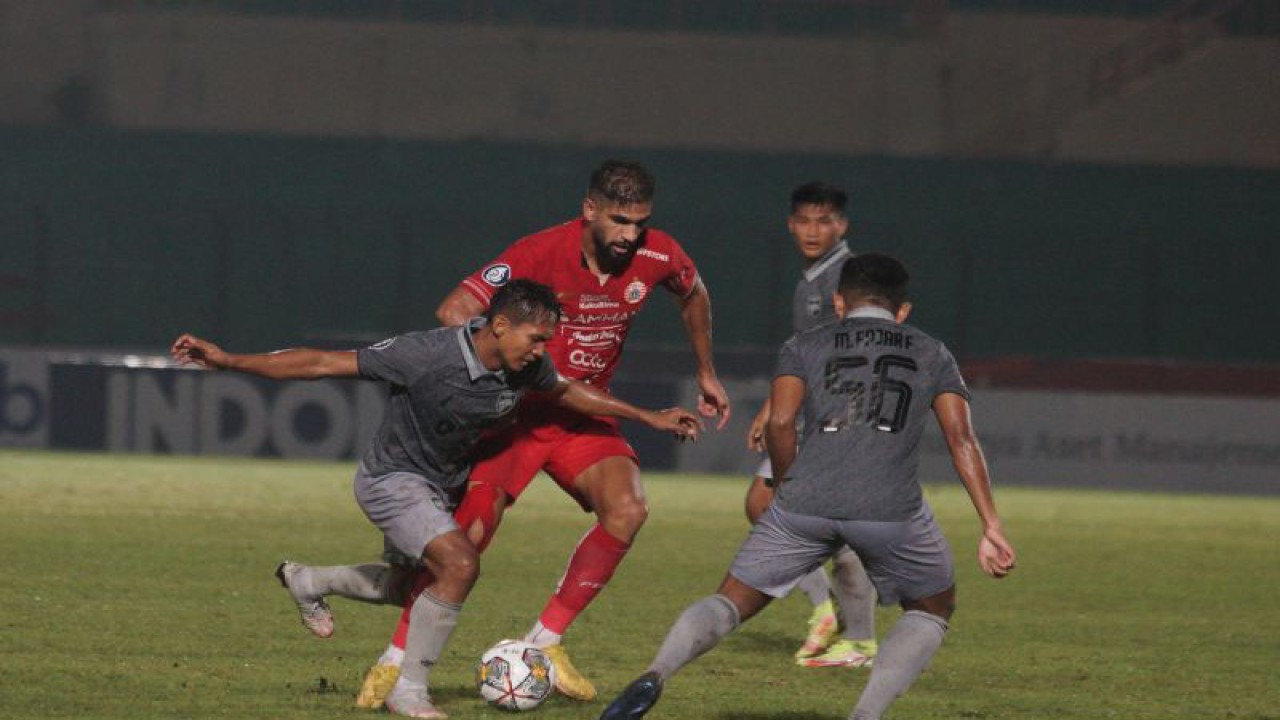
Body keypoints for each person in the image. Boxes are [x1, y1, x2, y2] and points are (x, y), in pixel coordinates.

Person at [169, 279, 703, 720]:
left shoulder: (527, 366)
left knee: (411, 589)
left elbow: (564, 389)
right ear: (499, 326)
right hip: (393, 479)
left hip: (442, 483)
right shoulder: (424, 354)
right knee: (460, 563)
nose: (542, 351)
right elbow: (322, 363)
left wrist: (646, 416)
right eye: (536, 339)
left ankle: (308, 580)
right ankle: (410, 691)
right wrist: (229, 361)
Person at [356, 159, 732, 707]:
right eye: (620, 221)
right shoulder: (536, 254)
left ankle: (545, 642)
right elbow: (455, 309)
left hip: (584, 416)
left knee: (627, 509)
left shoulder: (658, 254)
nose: (630, 235)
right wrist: (488, 375)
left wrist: (705, 370)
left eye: (640, 223)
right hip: (516, 420)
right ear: (589, 210)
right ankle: (396, 662)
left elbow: (694, 292)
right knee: (463, 545)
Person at [599, 253, 1017, 720]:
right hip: (889, 509)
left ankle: (655, 674)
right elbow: (962, 440)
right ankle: (865, 714)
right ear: (903, 311)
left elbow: (780, 421)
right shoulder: (932, 351)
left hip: (804, 500)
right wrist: (991, 524)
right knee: (933, 606)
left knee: (729, 601)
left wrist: (788, 484)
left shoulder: (804, 345)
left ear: (840, 302)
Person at [743, 181, 879, 668]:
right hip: (811, 412)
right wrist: (773, 406)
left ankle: (857, 638)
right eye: (804, 220)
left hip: (835, 416)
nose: (812, 230)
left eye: (824, 221)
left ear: (841, 225)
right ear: (790, 223)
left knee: (826, 523)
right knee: (764, 504)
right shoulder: (815, 276)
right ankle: (827, 611)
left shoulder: (846, 275)